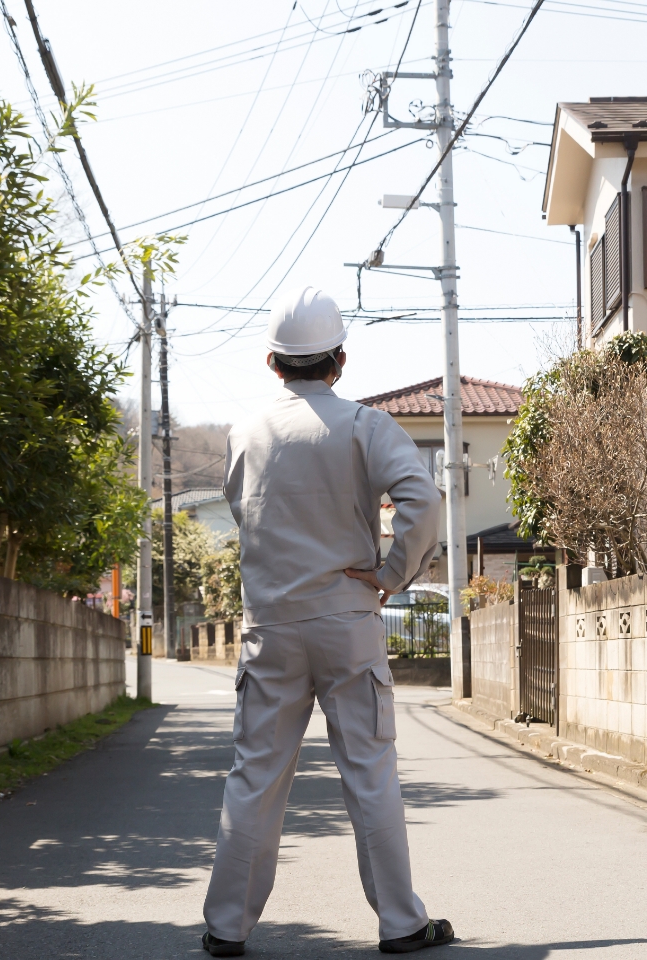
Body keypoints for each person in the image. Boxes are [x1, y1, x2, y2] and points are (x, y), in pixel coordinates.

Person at [201, 286, 455, 957]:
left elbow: (241, 511)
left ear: (272, 363)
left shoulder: (244, 435)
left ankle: (226, 926)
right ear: (339, 360)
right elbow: (422, 498)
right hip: (346, 618)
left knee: (254, 775)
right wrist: (392, 572)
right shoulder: (364, 426)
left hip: (271, 626)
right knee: (369, 771)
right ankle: (401, 923)